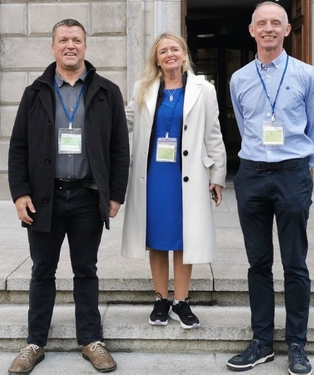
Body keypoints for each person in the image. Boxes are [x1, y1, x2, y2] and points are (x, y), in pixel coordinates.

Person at [7, 18, 129, 375]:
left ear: (85, 46)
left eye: (76, 40)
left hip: (88, 198)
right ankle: (34, 343)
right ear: (53, 46)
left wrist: (115, 194)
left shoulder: (107, 91)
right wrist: (20, 194)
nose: (70, 46)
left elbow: (120, 148)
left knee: (85, 270)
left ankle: (91, 340)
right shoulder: (35, 92)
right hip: (45, 198)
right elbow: (18, 148)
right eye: (63, 40)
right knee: (42, 271)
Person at [225, 2, 314, 375]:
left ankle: (297, 344)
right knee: (258, 263)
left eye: (276, 23)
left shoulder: (306, 75)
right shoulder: (240, 79)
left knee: (295, 263)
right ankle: (262, 342)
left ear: (286, 30)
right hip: (251, 174)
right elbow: (245, 125)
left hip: (291, 174)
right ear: (252, 31)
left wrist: (300, 165)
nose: (268, 28)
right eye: (261, 23)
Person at [121, 33, 227, 329]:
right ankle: (160, 299)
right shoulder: (143, 88)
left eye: (175, 49)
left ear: (184, 54)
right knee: (156, 236)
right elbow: (124, 121)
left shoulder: (203, 90)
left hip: (187, 174)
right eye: (163, 51)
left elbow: (213, 135)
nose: (169, 54)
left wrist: (218, 174)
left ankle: (181, 301)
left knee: (184, 236)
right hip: (154, 174)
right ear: (156, 58)